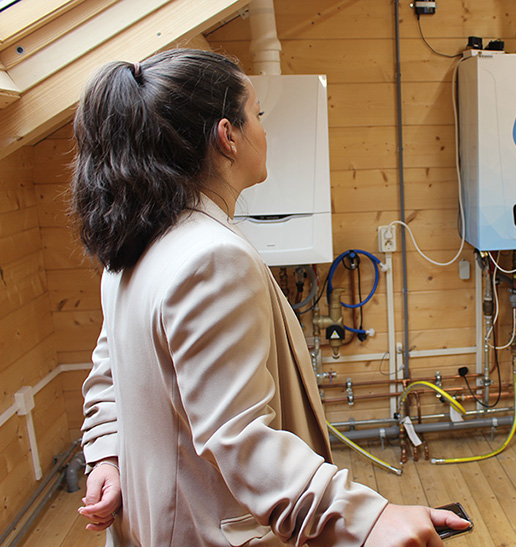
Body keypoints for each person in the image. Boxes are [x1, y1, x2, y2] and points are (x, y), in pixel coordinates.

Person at [71, 48, 469, 546]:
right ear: (227, 136)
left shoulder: (134, 243)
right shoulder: (210, 258)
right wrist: (365, 519)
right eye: (257, 115)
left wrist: (104, 452)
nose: (265, 130)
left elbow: (107, 369)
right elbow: (240, 437)